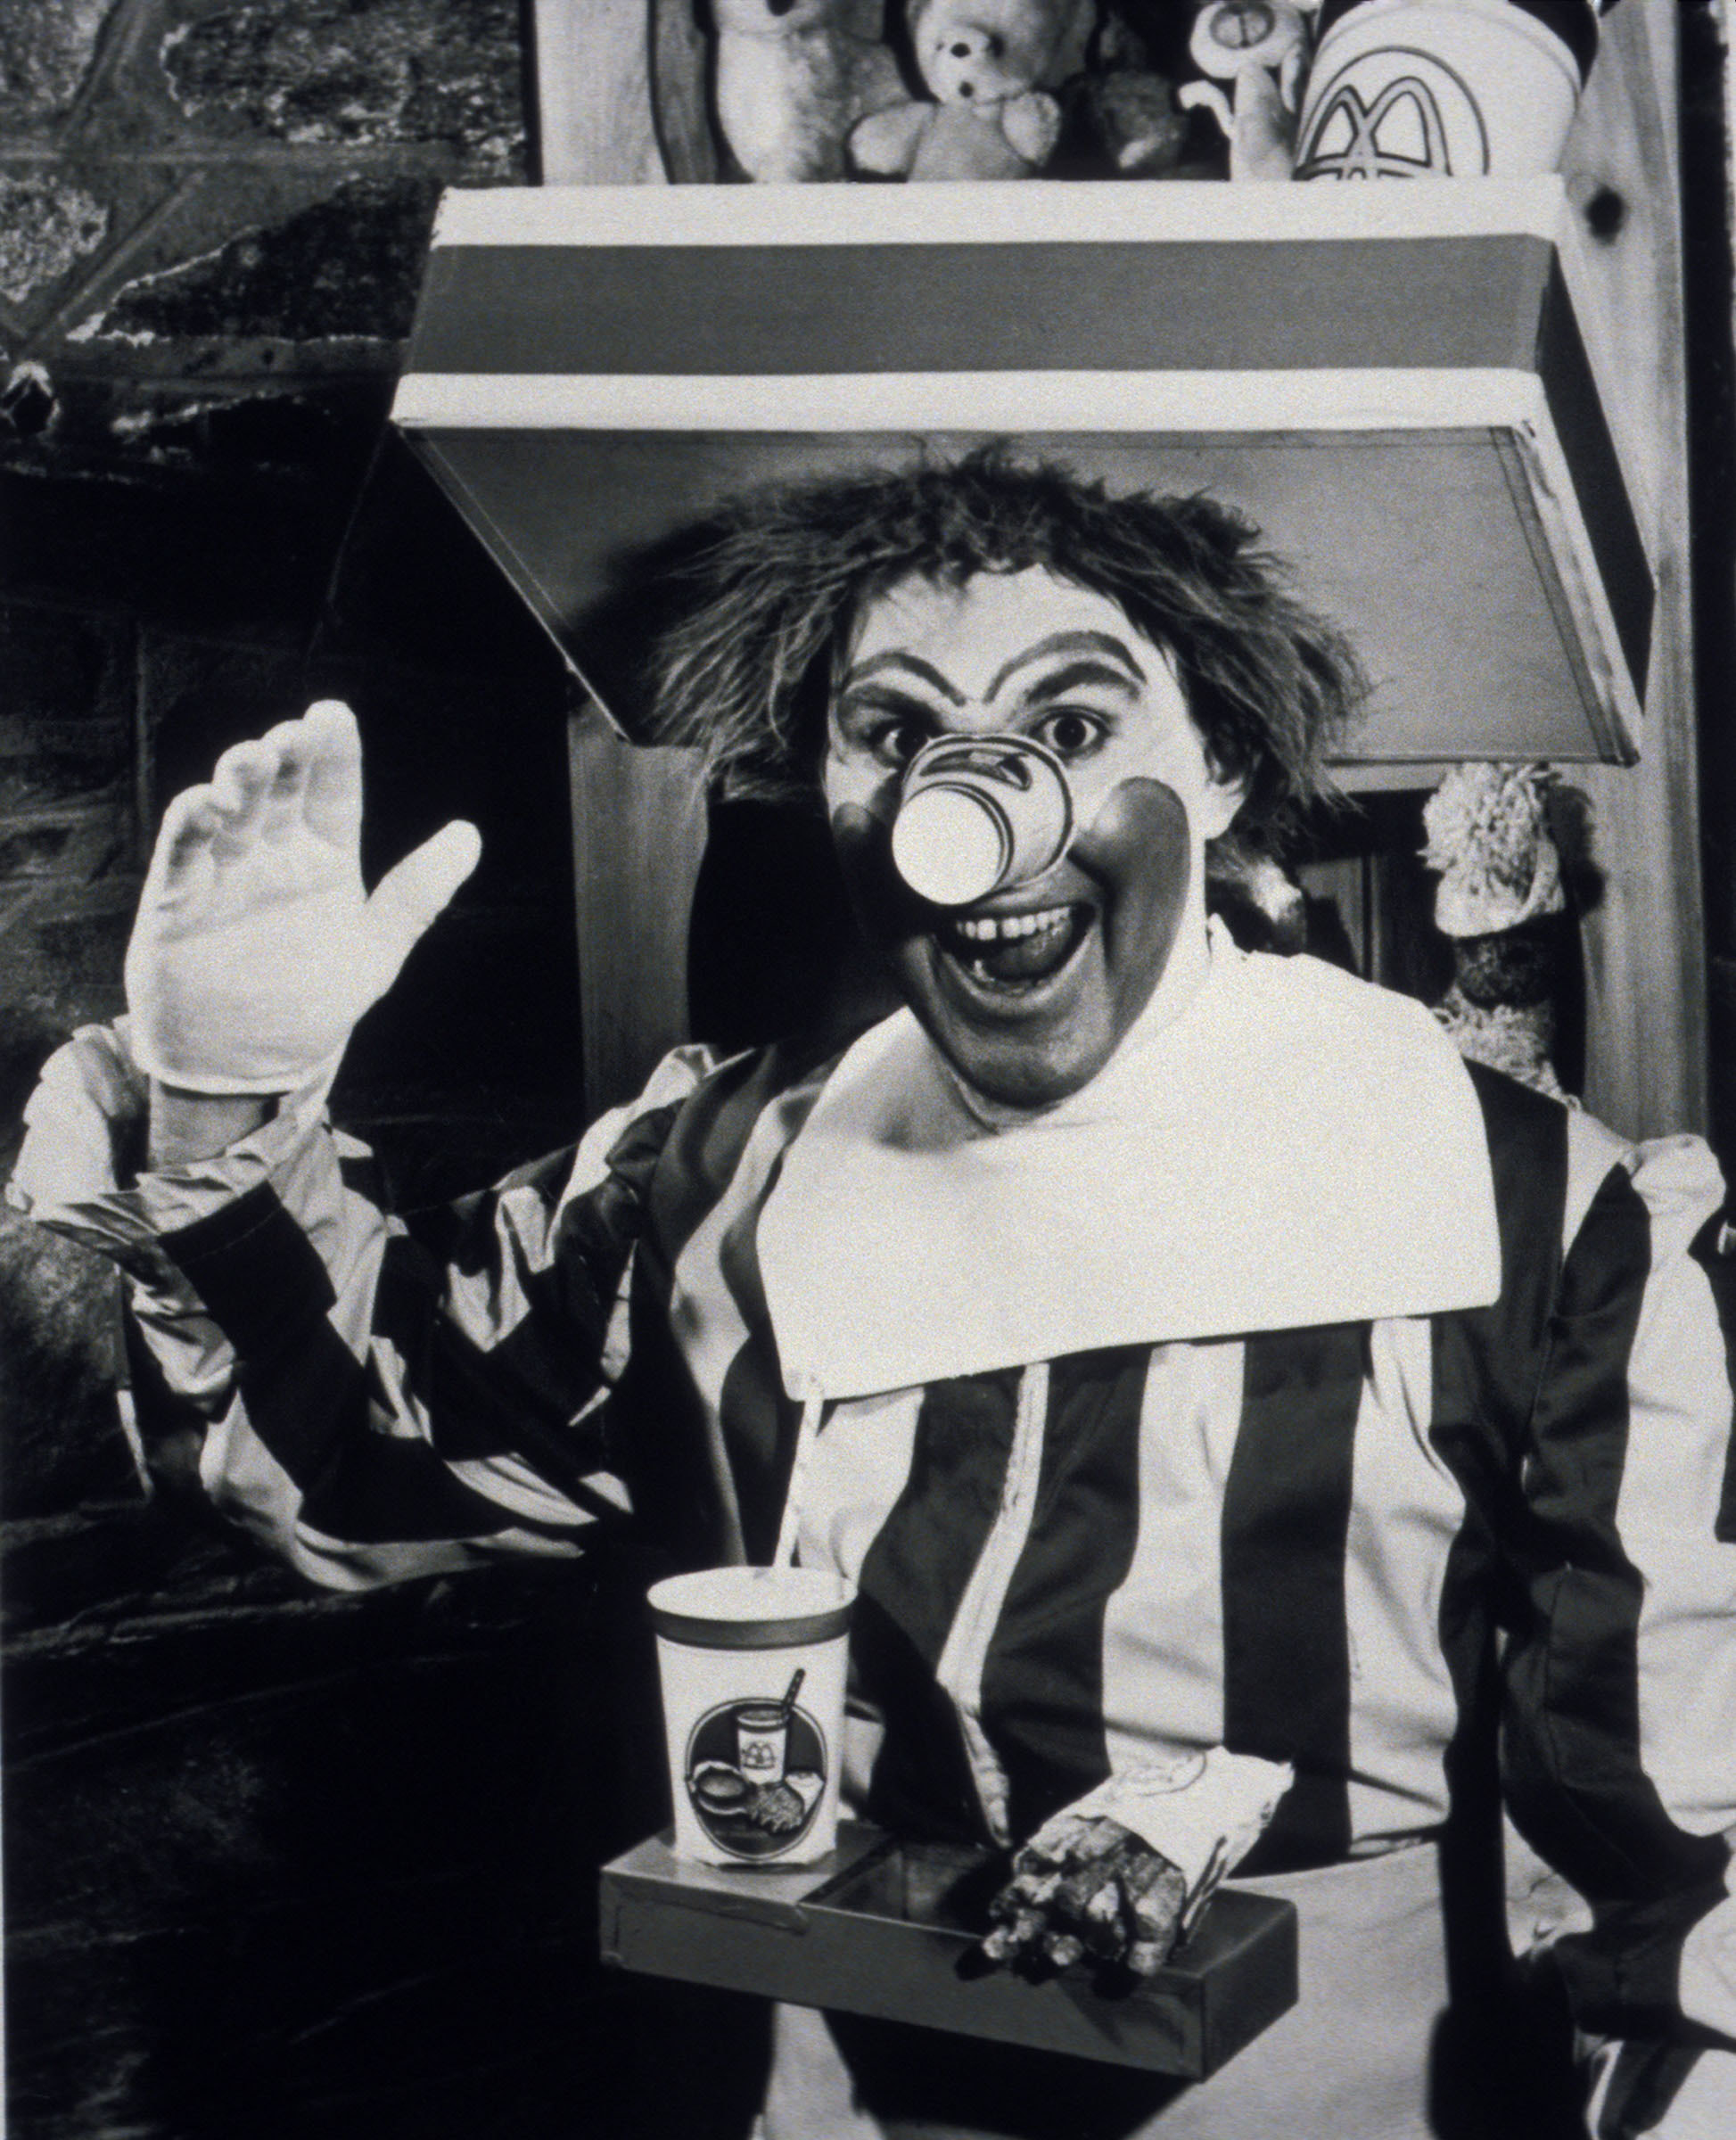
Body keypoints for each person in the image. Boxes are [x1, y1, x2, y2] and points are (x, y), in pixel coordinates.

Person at [12, 449, 1736, 2139]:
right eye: (897, 736)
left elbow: (1686, 1849)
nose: (970, 826)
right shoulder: (712, 1171)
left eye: (1069, 729)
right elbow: (364, 1467)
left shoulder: (1538, 1213)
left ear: (1213, 765)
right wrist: (223, 1090)